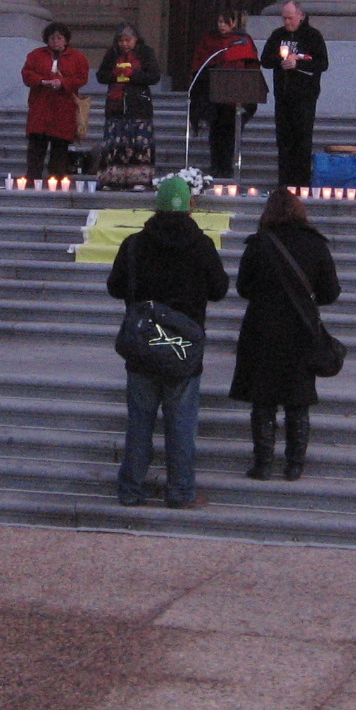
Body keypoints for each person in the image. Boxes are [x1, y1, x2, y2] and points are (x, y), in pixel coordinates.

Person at [106, 176, 229, 508]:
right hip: (183, 353)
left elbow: (115, 287)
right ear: (190, 206)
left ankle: (131, 489)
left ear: (156, 205)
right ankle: (180, 492)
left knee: (139, 424)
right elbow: (219, 289)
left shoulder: (133, 244)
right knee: (181, 426)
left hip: (142, 348)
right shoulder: (201, 245)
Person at [230, 188, 340, 481]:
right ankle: (294, 465)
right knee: (298, 400)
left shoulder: (258, 245)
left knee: (263, 400)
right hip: (301, 330)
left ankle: (263, 462)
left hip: (262, 329)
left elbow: (243, 288)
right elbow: (330, 292)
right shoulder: (316, 245)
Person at [260, 1, 329, 189]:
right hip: (282, 96)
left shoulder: (312, 36)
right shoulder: (278, 35)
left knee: (302, 140)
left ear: (301, 15)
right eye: (284, 18)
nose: (287, 22)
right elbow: (265, 60)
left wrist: (298, 63)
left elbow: (322, 63)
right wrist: (280, 61)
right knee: (283, 141)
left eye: (290, 18)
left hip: (305, 97)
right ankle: (284, 182)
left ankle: (301, 183)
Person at [189, 10, 261, 179]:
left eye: (225, 22)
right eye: (219, 22)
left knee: (230, 133)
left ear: (234, 23)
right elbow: (200, 64)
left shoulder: (243, 41)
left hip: (235, 97)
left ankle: (228, 166)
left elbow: (251, 67)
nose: (221, 25)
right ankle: (216, 165)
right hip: (214, 96)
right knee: (216, 132)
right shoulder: (210, 41)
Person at [20, 22, 89, 182]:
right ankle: (32, 180)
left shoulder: (77, 58)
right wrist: (42, 81)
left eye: (59, 38)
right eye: (52, 38)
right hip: (41, 108)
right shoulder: (36, 55)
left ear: (66, 40)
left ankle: (57, 181)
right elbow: (27, 74)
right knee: (36, 148)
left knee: (60, 148)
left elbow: (81, 77)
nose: (55, 41)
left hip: (63, 109)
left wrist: (63, 83)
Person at [96, 23, 161, 190]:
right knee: (115, 145)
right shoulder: (112, 53)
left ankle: (139, 180)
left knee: (138, 145)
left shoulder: (146, 53)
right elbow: (100, 76)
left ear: (135, 39)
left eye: (128, 40)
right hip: (116, 106)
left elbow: (154, 76)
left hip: (139, 105)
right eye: (121, 40)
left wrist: (134, 74)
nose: (124, 44)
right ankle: (112, 179)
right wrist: (114, 75)